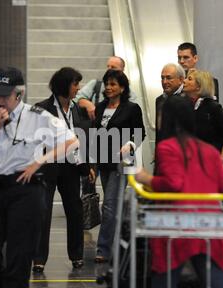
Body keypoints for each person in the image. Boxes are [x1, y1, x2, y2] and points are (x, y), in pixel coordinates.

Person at [0, 67, 79, 288]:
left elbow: (72, 142)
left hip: (26, 189)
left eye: (4, 95)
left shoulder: (38, 116)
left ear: (18, 94)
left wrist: (40, 161)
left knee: (19, 258)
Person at [135, 95, 223, 288]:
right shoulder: (208, 150)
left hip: (175, 225)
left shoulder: (167, 148)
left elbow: (174, 183)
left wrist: (146, 178)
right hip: (209, 225)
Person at [32, 67, 94, 273]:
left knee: (74, 211)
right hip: (48, 167)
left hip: (71, 167)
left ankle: (76, 255)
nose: (78, 88)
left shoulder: (79, 110)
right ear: (64, 85)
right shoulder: (41, 108)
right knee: (42, 212)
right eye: (75, 84)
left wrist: (88, 166)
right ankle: (39, 258)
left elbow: (84, 141)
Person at [91, 69, 145, 263]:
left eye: (113, 84)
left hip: (121, 163)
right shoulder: (100, 107)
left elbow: (140, 134)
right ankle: (122, 243)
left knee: (110, 205)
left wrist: (129, 145)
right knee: (114, 206)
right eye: (107, 84)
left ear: (122, 87)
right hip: (103, 162)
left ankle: (104, 249)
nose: (108, 87)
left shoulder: (131, 108)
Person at [75, 56, 137, 195]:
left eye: (113, 67)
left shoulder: (130, 94)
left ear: (122, 71)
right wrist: (89, 104)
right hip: (95, 145)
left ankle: (110, 215)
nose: (109, 70)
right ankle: (92, 215)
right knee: (88, 185)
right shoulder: (96, 85)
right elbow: (77, 98)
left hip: (118, 149)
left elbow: (135, 125)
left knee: (112, 198)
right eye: (108, 66)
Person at [183, 70, 223, 158]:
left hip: (209, 163)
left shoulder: (213, 108)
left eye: (189, 79)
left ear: (198, 87)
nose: (184, 81)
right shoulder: (187, 106)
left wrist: (220, 161)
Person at [155, 63, 185, 142]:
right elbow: (159, 131)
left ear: (180, 80)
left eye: (169, 78)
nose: (164, 82)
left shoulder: (188, 98)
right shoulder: (159, 100)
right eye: (162, 78)